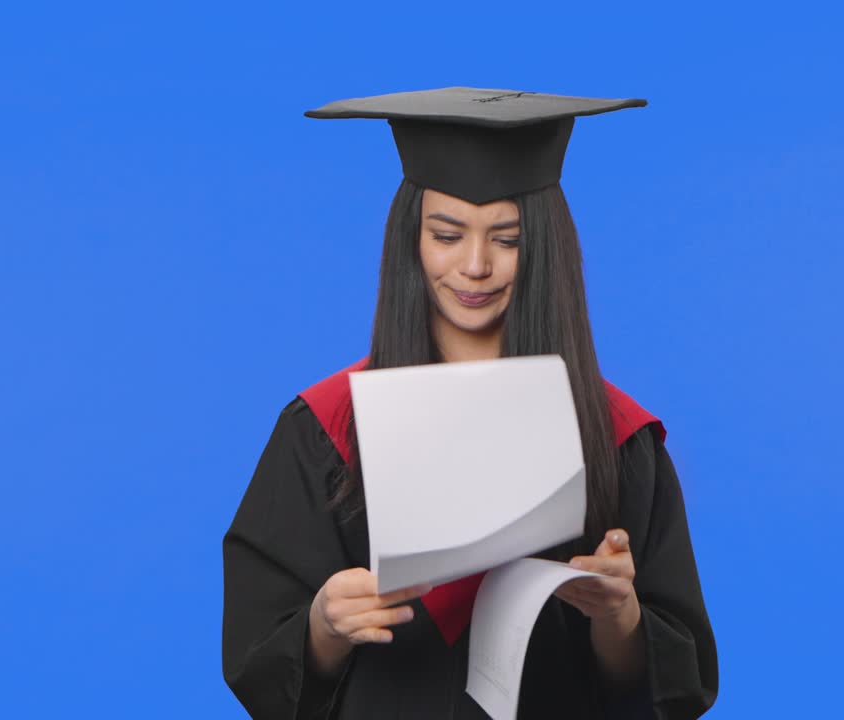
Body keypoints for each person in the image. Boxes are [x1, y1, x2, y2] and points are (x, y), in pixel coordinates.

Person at [223, 87, 718, 719]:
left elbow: (675, 686)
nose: (475, 265)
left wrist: (619, 618)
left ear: (544, 248)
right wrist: (323, 624)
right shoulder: (326, 429)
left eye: (507, 239)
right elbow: (258, 659)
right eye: (447, 234)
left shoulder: (615, 436)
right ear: (413, 240)